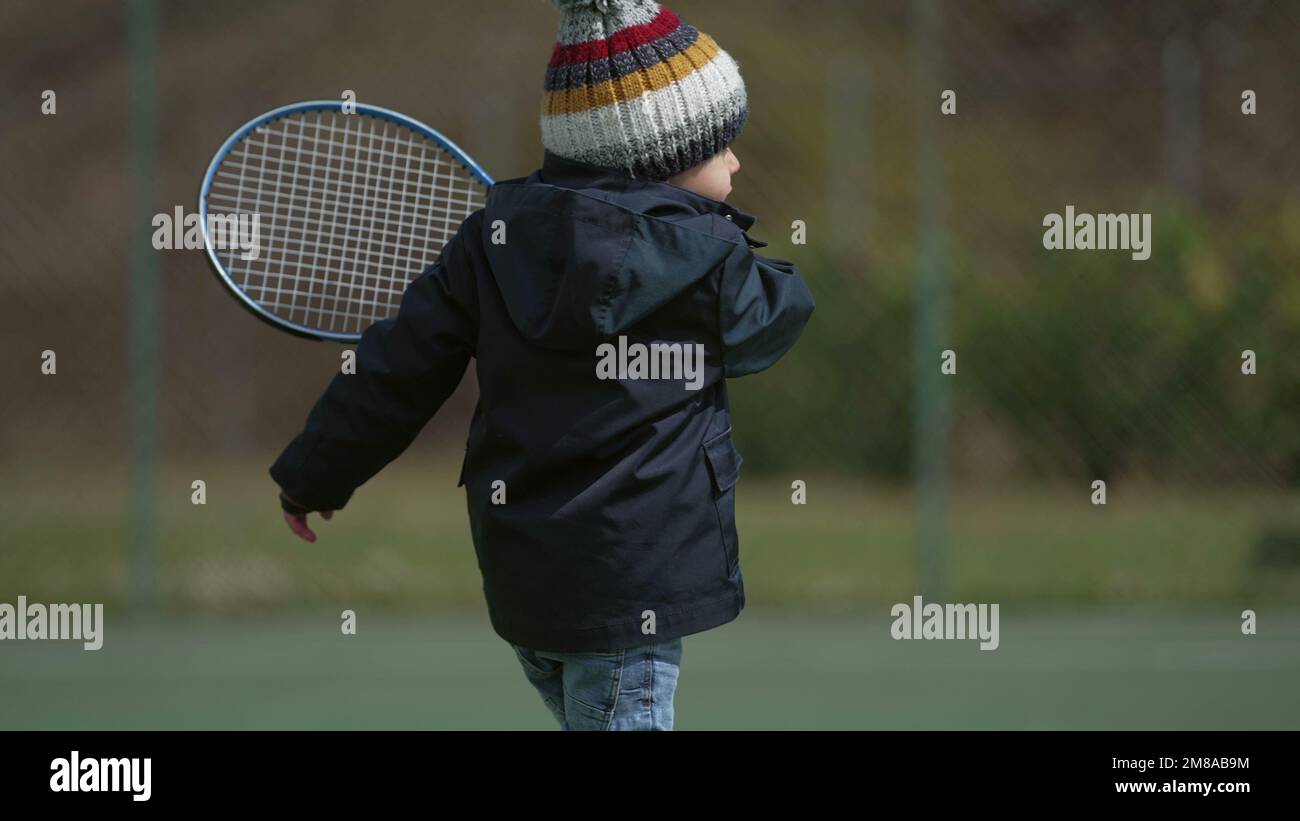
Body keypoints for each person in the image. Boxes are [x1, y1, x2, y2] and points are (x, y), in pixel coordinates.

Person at [271, 0, 814, 730]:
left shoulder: (490, 239)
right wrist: (710, 234)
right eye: (722, 148)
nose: (737, 162)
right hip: (633, 589)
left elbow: (397, 368)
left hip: (527, 579)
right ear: (662, 163)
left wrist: (317, 470)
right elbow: (776, 315)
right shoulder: (702, 259)